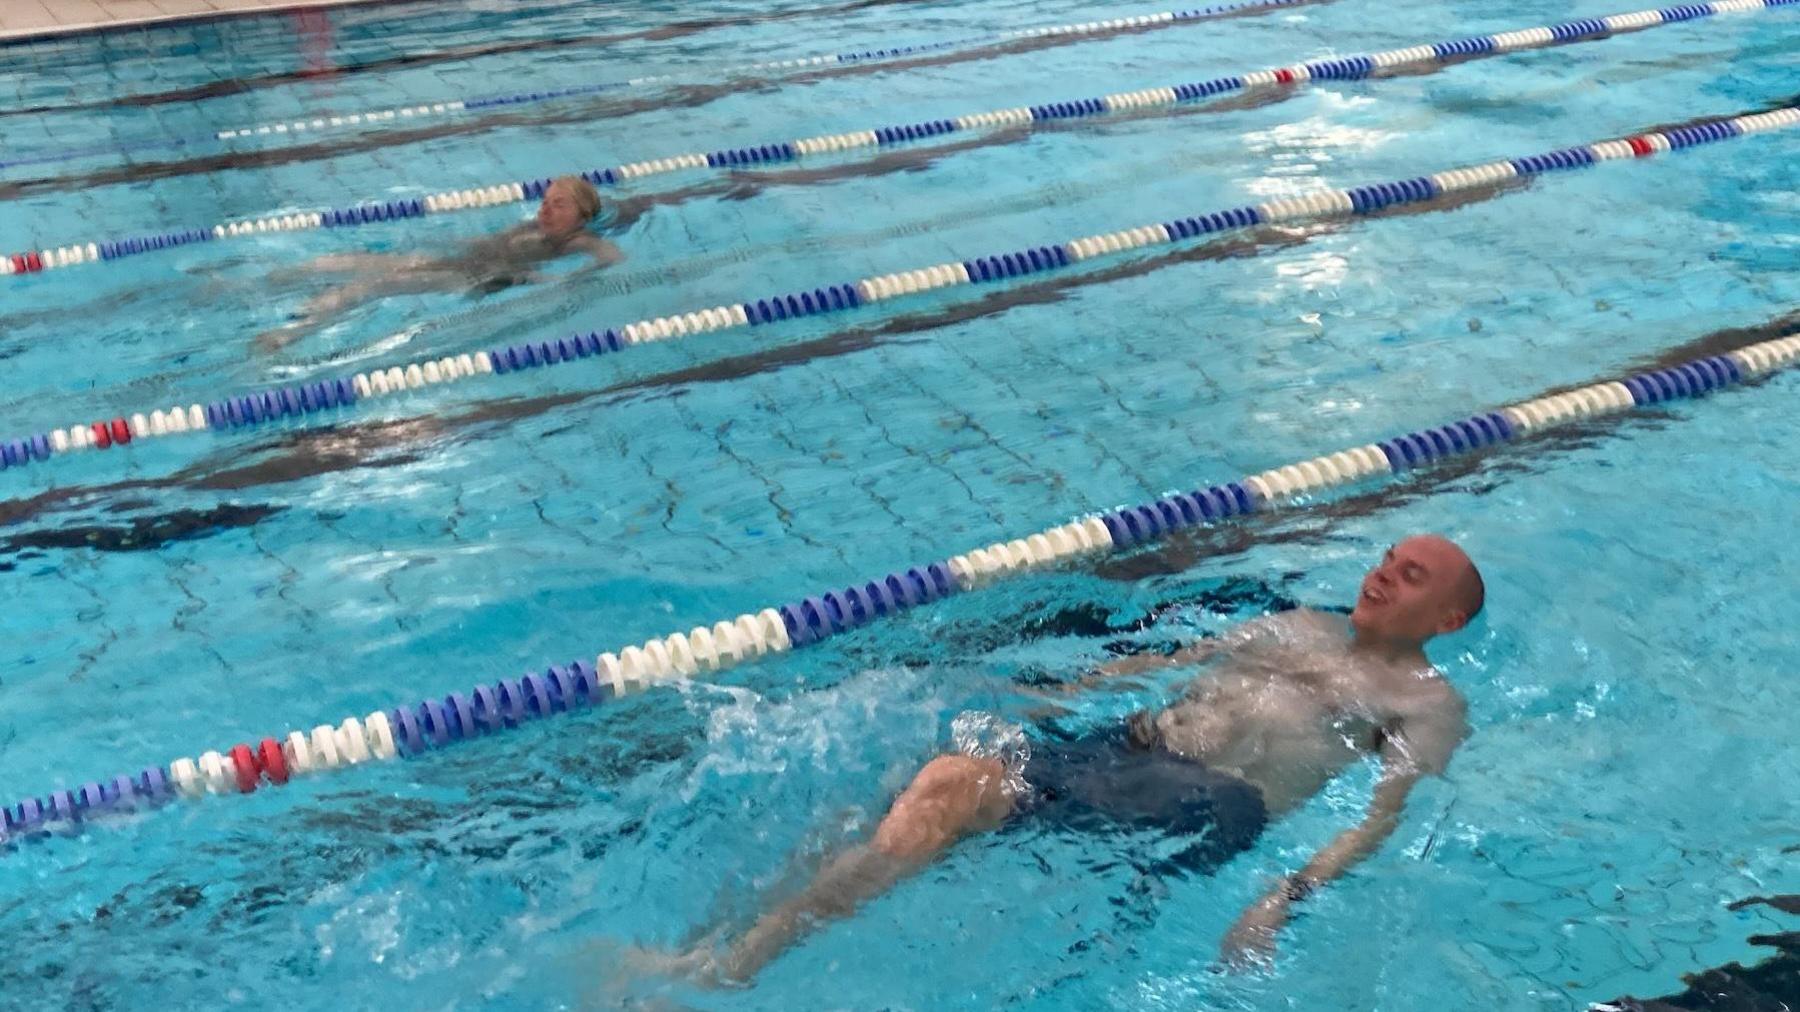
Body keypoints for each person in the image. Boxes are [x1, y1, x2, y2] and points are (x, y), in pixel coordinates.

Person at [675, 534, 1483, 982]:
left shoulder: (1425, 705)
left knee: (946, 807)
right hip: (1119, 750)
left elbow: (1381, 819)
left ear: (1447, 619)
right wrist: (1050, 696)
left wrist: (1282, 896)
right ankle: (730, 954)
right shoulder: (1298, 623)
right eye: (1385, 560)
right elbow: (1157, 667)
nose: (1381, 577)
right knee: (938, 787)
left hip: (1202, 803)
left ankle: (734, 964)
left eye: (1410, 577)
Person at [256, 175, 622, 350]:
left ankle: (288, 334)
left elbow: (613, 258)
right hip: (455, 262)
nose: (546, 208)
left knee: (373, 287)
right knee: (338, 262)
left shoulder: (581, 241)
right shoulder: (532, 226)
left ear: (584, 214)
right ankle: (256, 286)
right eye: (545, 201)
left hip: (472, 279)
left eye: (559, 204)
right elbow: (490, 242)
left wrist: (544, 280)